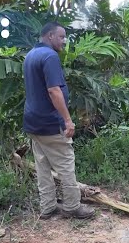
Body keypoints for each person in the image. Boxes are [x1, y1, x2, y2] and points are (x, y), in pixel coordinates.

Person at [23, 21, 95, 220]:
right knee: (65, 164)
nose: (64, 41)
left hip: (33, 122)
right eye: (61, 37)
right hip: (50, 122)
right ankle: (72, 207)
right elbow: (54, 91)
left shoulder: (30, 55)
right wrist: (68, 120)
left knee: (42, 166)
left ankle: (47, 207)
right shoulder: (49, 56)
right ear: (50, 36)